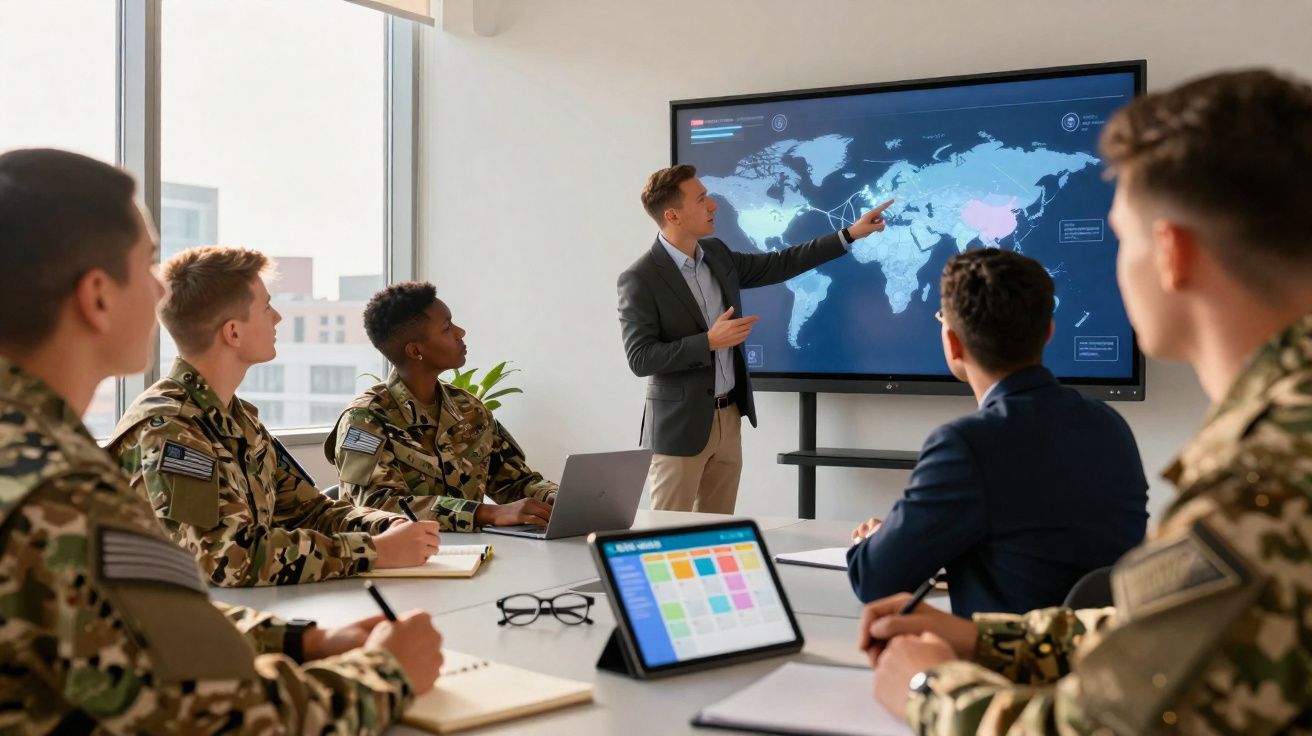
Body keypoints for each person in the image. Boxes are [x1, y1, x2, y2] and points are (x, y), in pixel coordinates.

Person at [862, 69, 1312, 734]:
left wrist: (928, 687)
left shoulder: (1260, 481)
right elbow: (1164, 631)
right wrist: (982, 641)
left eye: (1121, 236)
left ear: (1169, 252)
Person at [0, 148, 443, 732]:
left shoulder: (38, 451)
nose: (162, 298)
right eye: (148, 267)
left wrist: (305, 640)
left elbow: (151, 620)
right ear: (98, 296)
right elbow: (214, 717)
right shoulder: (64, 491)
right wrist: (387, 673)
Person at [107, 247, 441, 587]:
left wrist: (384, 526)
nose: (278, 317)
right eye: (266, 307)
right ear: (233, 333)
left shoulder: (239, 420)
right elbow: (224, 558)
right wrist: (373, 551)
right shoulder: (169, 427)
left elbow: (310, 512)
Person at [846, 249, 1148, 617]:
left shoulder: (966, 446)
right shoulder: (1109, 425)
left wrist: (880, 540)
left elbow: (874, 581)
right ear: (1049, 331)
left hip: (1007, 667)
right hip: (1103, 658)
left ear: (953, 342)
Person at [618, 164, 892, 513]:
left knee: (717, 535)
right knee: (668, 536)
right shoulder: (640, 278)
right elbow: (640, 358)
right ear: (672, 214)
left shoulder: (716, 255)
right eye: (701, 199)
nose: (713, 205)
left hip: (728, 418)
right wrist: (708, 341)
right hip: (679, 431)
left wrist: (849, 234)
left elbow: (780, 263)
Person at [326, 281, 556, 531]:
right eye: (447, 328)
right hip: (397, 561)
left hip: (471, 556)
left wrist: (557, 498)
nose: (461, 332)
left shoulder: (469, 408)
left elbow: (515, 482)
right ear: (415, 350)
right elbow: (375, 506)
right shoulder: (365, 418)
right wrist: (483, 513)